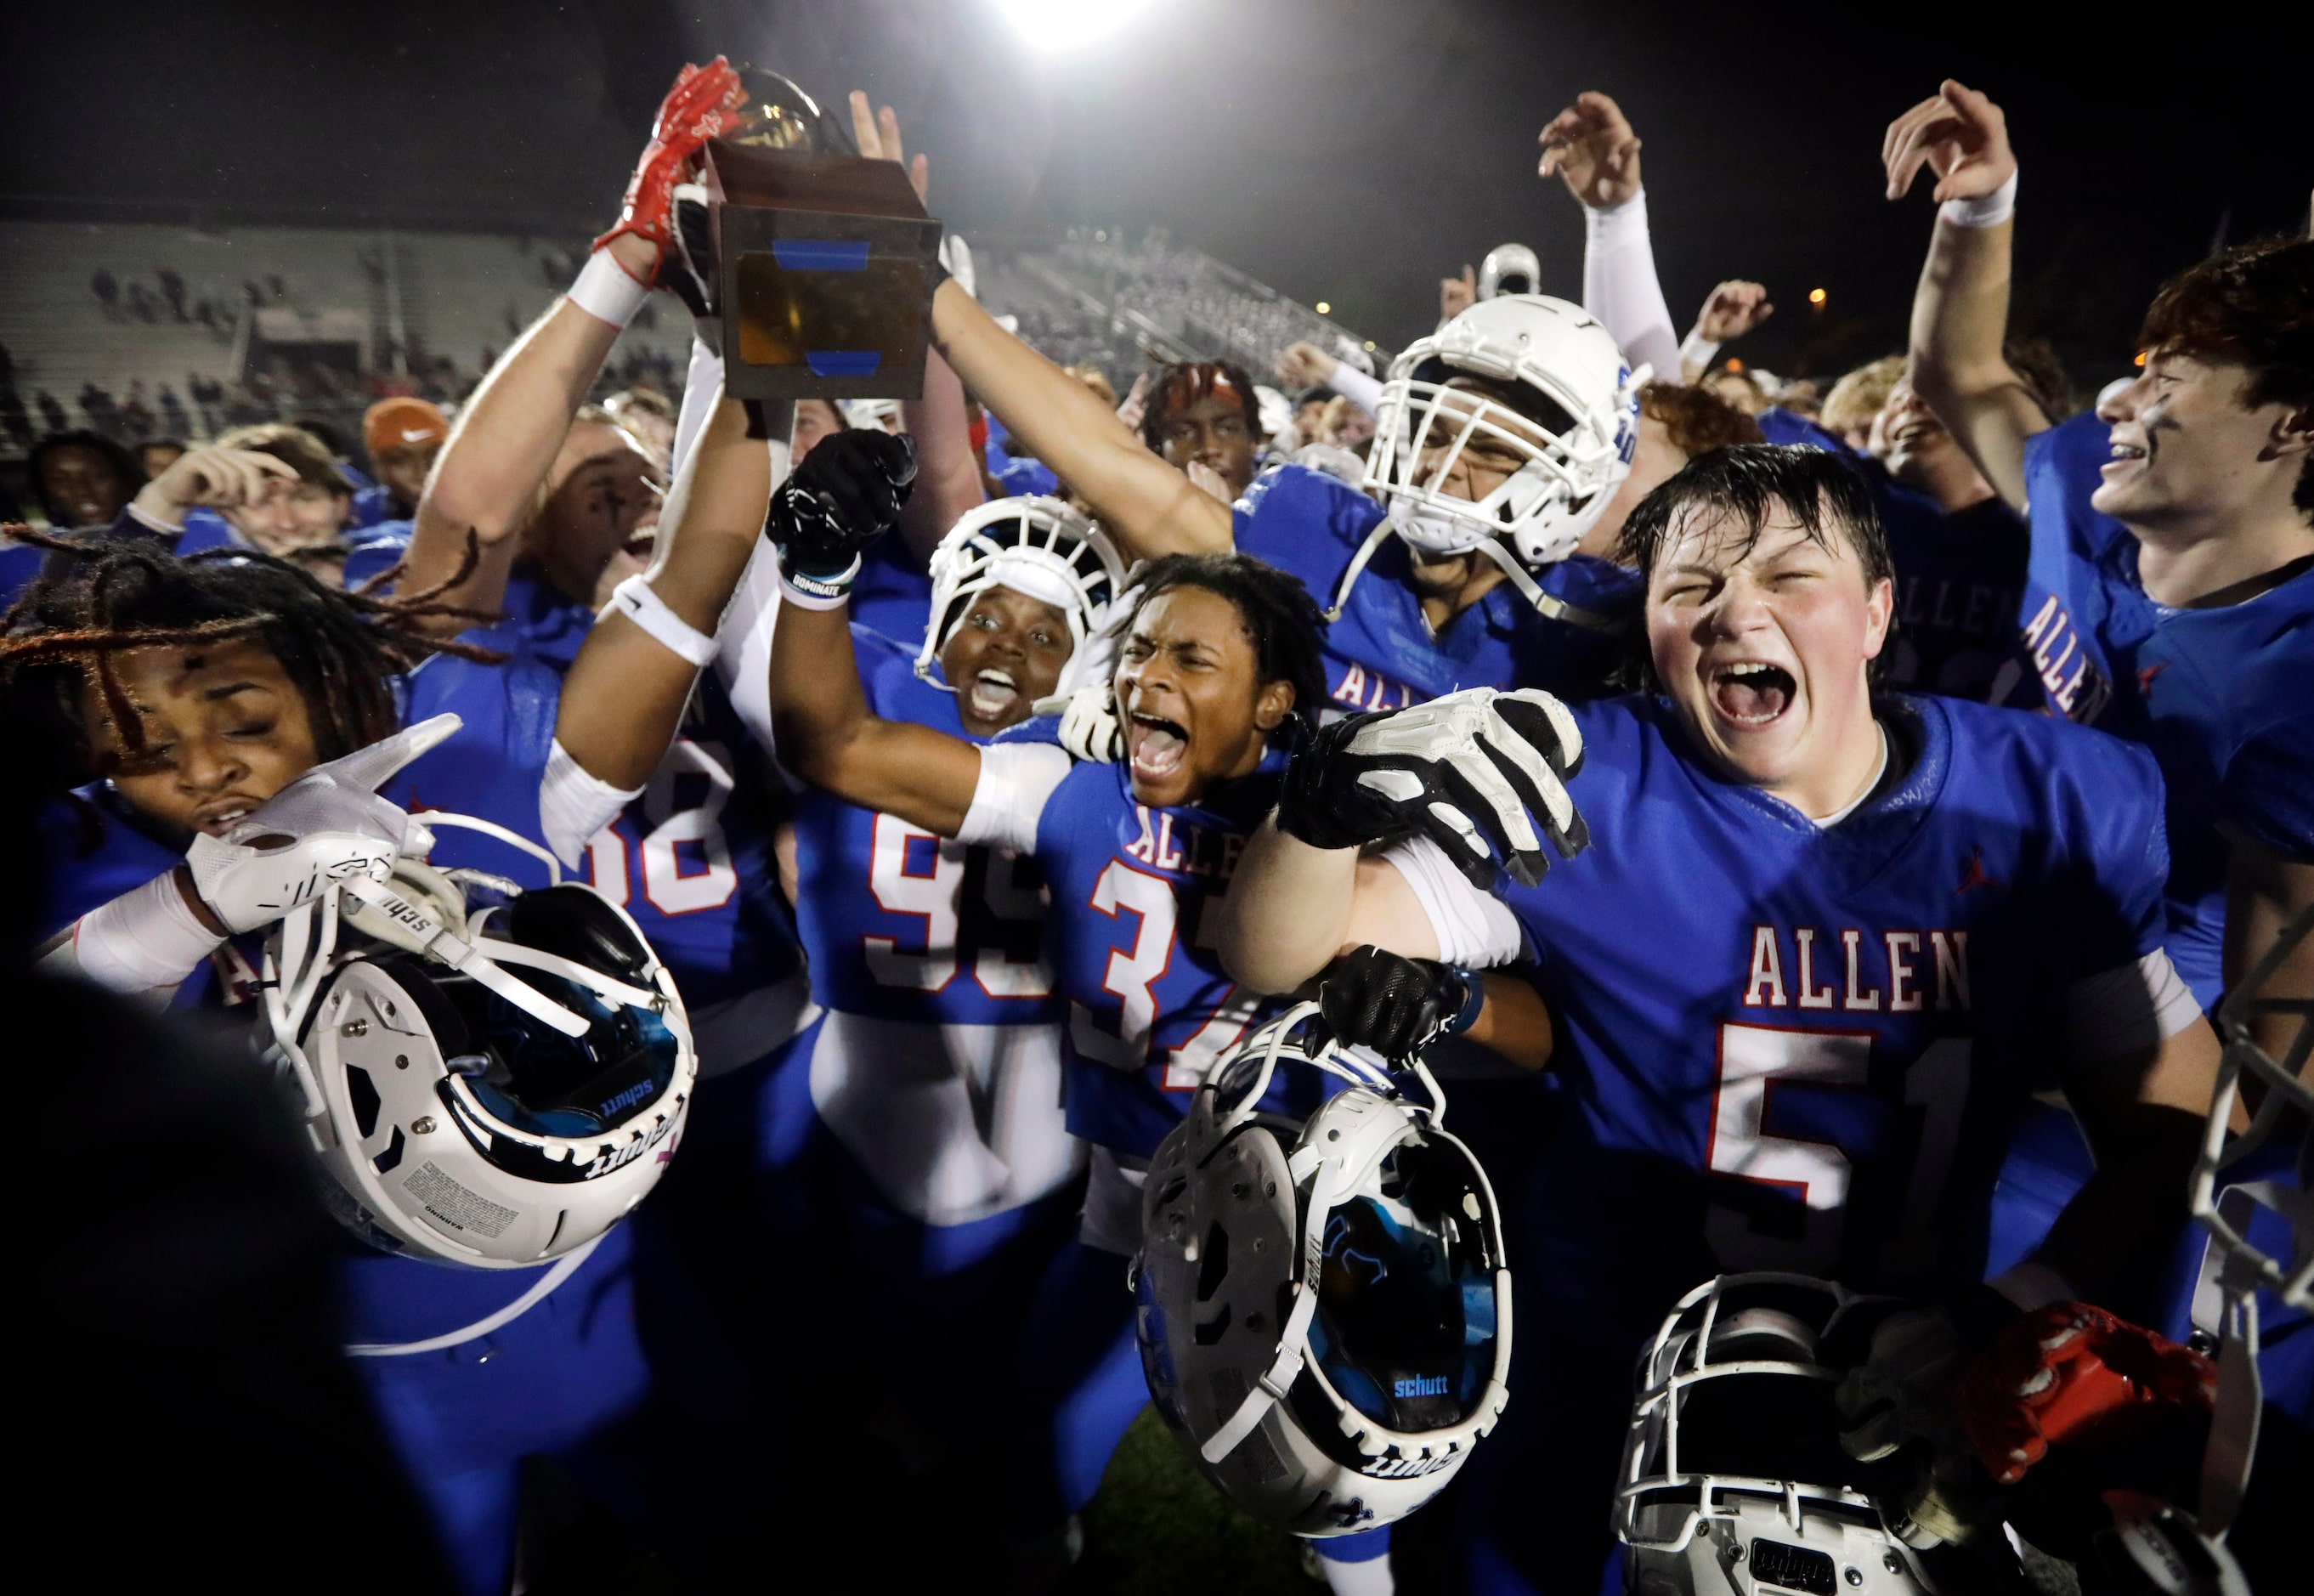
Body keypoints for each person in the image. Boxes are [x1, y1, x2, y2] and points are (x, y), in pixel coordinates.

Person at [1215, 445, 2225, 1593]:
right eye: (1688, 587)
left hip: (1893, 1388)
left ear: (1876, 611)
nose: (1733, 610)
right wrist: (1318, 808)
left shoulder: (2045, 795)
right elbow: (1272, 949)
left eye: (1790, 576)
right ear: (1644, 628)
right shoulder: (1584, 779)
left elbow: (2170, 1120)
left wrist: (2004, 1314)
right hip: (1610, 1358)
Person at [10, 342, 774, 1591]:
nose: (202, 768)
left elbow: (694, 570)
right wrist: (192, 905)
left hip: (595, 1302)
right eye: (146, 747)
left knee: (738, 1541)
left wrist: (765, 313)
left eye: (240, 718)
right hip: (365, 1363)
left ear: (324, 685)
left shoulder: (463, 762)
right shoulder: (99, 865)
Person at [762, 454, 1551, 1588]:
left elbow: (1550, 1028)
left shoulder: (1358, 827)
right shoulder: (1071, 790)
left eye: (1190, 657)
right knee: (1038, 1444)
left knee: (1344, 1484)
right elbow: (832, 745)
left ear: (1272, 701)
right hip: (1131, 1200)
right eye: (1136, 651)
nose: (1144, 677)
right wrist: (819, 577)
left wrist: (1455, 1001)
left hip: (1318, 1212)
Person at [1890, 77, 2314, 1024]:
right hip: (1950, 921)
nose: (2116, 401)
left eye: (2164, 379)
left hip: (2121, 1028)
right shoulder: (2085, 481)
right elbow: (1961, 372)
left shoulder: (2294, 684)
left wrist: (2175, 1141)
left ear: (2294, 424)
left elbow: (2273, 1017)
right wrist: (1980, 204)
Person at [930, 258, 1647, 718]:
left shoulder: (1611, 628)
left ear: (1577, 479)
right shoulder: (1324, 532)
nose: (1437, 465)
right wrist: (928, 291)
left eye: (1487, 447)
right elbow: (1108, 463)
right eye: (1431, 433)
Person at [28, 429, 144, 531]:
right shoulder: (32, 552)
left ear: (125, 482)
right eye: (60, 481)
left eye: (97, 476)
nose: (82, 491)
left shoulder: (158, 543)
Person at [361, 396, 450, 524]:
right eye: (400, 460)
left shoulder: (482, 510)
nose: (421, 474)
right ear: (378, 467)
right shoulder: (357, 517)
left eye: (434, 457)